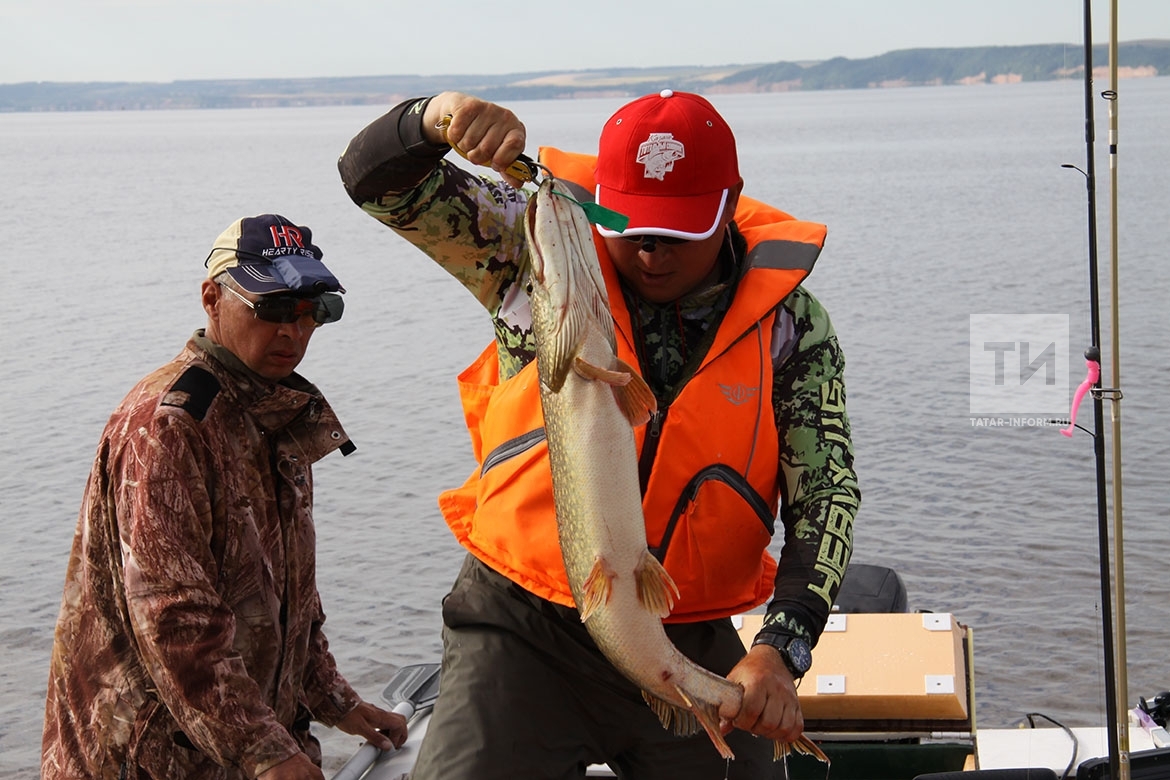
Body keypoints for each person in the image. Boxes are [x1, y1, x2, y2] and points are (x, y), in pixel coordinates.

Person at [337, 90, 859, 779]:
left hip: (681, 624)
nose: (649, 252)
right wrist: (437, 119)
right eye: (633, 225)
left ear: (731, 202)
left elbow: (826, 496)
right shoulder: (534, 251)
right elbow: (375, 182)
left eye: (678, 231)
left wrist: (781, 644)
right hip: (522, 625)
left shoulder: (791, 326)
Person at [42, 214, 407, 780]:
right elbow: (175, 619)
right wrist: (267, 751)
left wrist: (337, 702)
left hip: (237, 751)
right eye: (275, 309)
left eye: (315, 312)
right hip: (148, 762)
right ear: (212, 298)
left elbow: (288, 605)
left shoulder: (277, 414)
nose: (295, 331)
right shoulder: (169, 425)